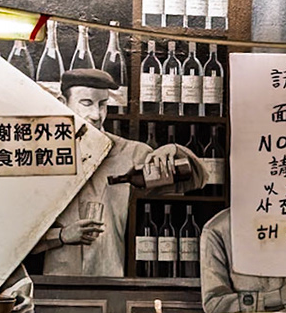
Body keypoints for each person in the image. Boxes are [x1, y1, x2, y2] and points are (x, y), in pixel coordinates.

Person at [35, 69, 200, 277]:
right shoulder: (41, 155)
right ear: (62, 101)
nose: (96, 115)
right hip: (55, 283)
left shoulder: (129, 153)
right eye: (86, 103)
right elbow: (13, 239)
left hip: (111, 280)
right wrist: (60, 235)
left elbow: (196, 179)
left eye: (102, 105)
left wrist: (174, 151)